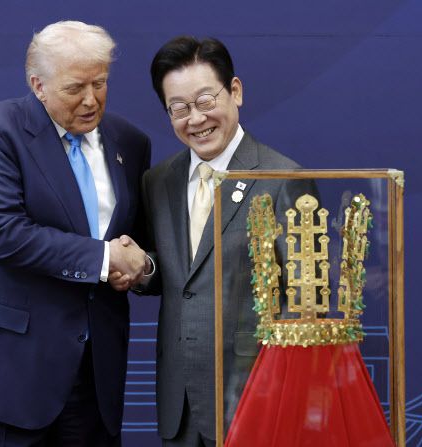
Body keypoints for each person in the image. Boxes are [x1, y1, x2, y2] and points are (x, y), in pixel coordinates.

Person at [0, 21, 151, 447]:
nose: (91, 100)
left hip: (93, 381)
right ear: (38, 85)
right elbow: (3, 233)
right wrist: (105, 259)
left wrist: (142, 266)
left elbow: (137, 244)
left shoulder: (130, 142)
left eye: (100, 83)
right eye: (75, 88)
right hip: (6, 375)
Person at [110, 36, 313, 446]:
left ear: (235, 91)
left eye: (205, 101)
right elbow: (171, 272)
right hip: (180, 401)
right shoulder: (158, 180)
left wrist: (281, 387)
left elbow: (307, 301)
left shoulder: (282, 178)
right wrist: (141, 269)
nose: (196, 119)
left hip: (256, 398)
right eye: (179, 108)